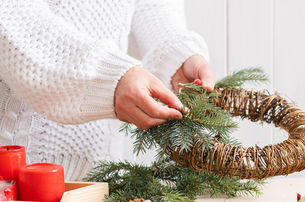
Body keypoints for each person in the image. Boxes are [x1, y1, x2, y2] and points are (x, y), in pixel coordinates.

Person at [0, 0, 215, 180]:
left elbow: (152, 6)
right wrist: (109, 76)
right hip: (13, 173)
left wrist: (177, 58)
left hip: (100, 174)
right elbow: (9, 13)